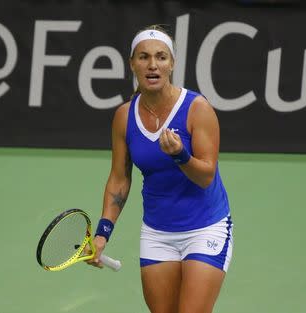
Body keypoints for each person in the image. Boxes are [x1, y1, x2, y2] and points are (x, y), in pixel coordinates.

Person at [86, 25, 234, 313]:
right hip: (157, 233)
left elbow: (206, 176)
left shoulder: (197, 109)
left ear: (172, 64)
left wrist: (181, 155)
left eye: (161, 57)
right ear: (132, 64)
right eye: (143, 57)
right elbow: (119, 179)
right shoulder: (124, 117)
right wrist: (103, 232)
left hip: (206, 227)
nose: (152, 64)